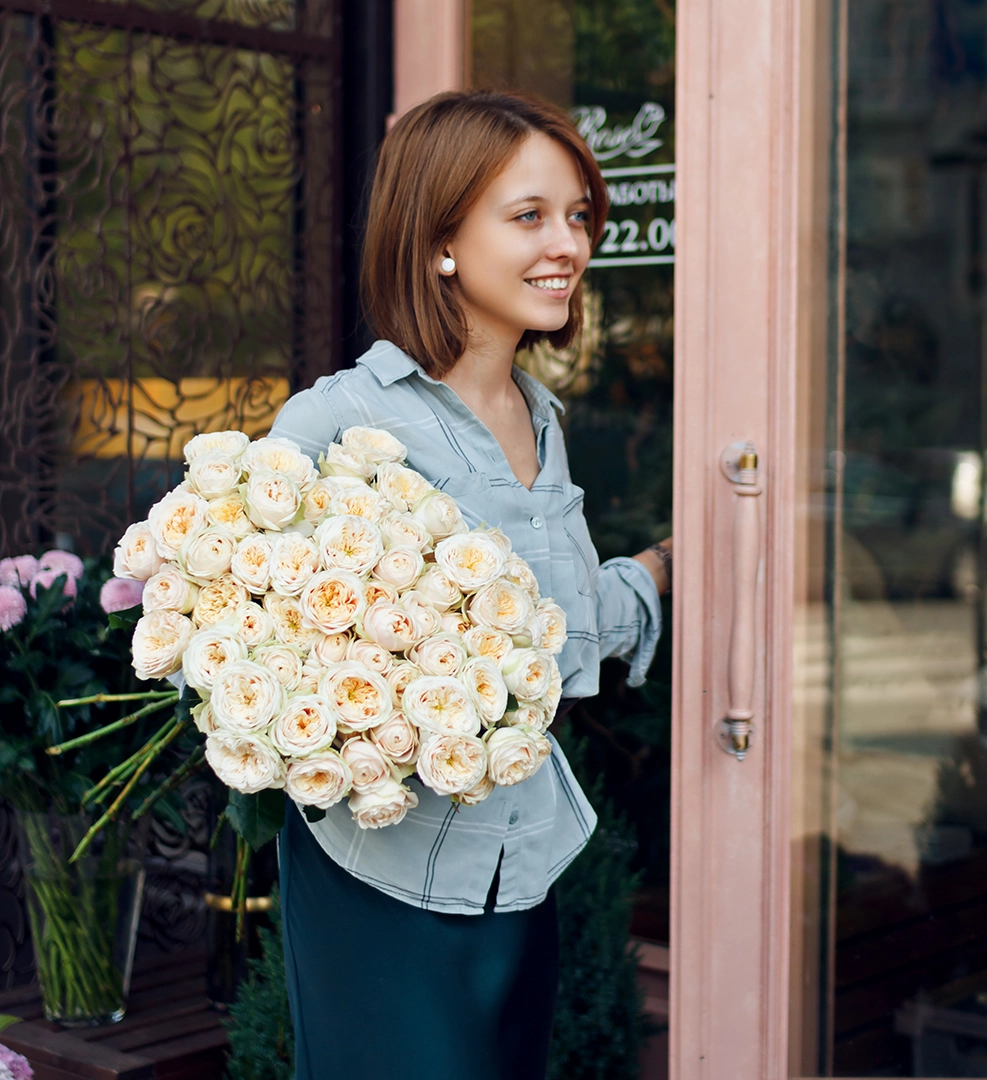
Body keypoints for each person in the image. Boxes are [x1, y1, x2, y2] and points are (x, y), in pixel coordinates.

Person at [270, 89, 673, 1080]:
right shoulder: (343, 422)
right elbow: (239, 616)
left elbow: (558, 643)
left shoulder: (539, 417)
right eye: (529, 215)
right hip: (382, 873)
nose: (568, 244)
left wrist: (658, 576)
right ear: (440, 238)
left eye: (579, 216)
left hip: (515, 864)